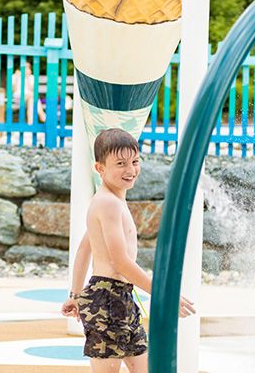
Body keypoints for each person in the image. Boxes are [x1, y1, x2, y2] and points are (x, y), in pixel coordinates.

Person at [61, 128, 195, 373]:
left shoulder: (111, 200)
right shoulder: (108, 203)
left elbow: (83, 251)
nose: (130, 170)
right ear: (99, 168)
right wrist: (164, 295)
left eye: (135, 161)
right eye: (120, 164)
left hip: (120, 298)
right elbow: (120, 261)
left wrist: (75, 294)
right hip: (107, 300)